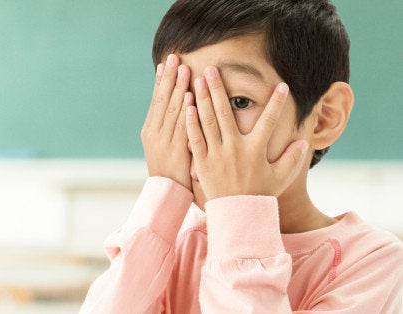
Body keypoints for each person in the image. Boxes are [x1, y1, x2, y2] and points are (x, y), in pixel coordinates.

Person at [79, 0, 403, 313]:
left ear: (324, 118)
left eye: (237, 102)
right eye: (179, 101)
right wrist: (163, 193)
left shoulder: (374, 264)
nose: (198, 130)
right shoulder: (170, 243)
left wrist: (240, 211)